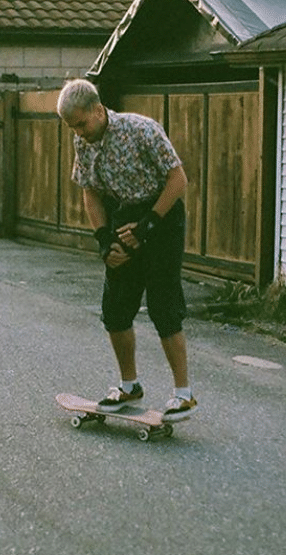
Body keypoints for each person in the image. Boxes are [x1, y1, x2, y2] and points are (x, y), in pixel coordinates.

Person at [57, 78, 197, 422]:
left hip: (161, 216)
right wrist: (104, 239)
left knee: (164, 305)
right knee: (115, 309)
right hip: (125, 215)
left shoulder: (142, 129)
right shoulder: (84, 144)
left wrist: (147, 227)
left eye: (81, 124)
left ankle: (183, 394)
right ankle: (129, 385)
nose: (77, 133)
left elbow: (178, 180)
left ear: (97, 110)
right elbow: (89, 191)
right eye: (71, 128)